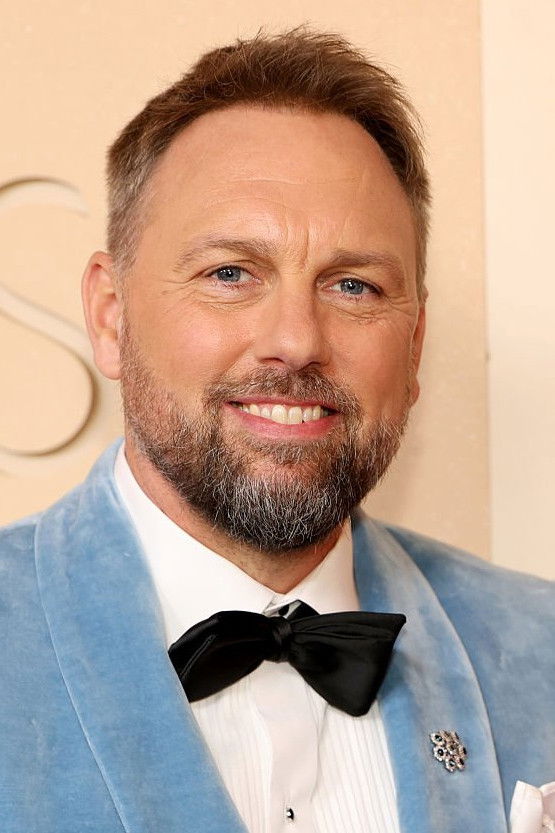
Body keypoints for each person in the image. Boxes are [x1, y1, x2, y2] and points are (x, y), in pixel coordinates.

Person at [1, 28, 553, 833]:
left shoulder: (541, 650)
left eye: (354, 285)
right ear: (110, 316)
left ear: (413, 346)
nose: (295, 340)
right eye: (230, 273)